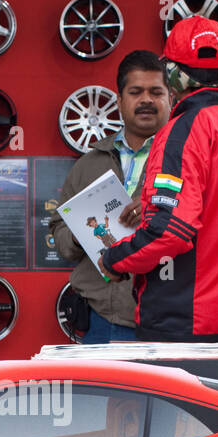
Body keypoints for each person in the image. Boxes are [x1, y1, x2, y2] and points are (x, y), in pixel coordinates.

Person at [100, 18, 218, 351]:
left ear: (171, 73)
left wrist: (114, 259)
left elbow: (169, 230)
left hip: (185, 330)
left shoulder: (182, 132)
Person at [50, 50, 172, 344]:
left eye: (156, 92)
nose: (146, 100)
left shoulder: (187, 157)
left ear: (171, 99)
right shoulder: (90, 162)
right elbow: (58, 231)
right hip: (103, 321)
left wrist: (160, 214)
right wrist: (81, 234)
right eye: (135, 92)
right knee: (108, 393)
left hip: (171, 320)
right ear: (119, 101)